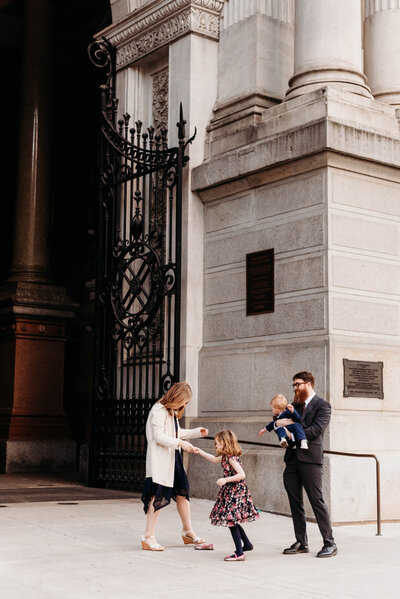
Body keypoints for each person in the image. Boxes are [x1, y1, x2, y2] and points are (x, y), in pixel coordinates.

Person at [276, 371, 337, 558]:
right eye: (293, 385)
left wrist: (292, 431)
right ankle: (301, 542)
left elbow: (316, 430)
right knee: (295, 503)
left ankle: (330, 543)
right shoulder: (294, 405)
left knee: (316, 501)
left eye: (298, 384)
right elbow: (278, 422)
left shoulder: (323, 405)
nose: (295, 388)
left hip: (311, 460)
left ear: (309, 384)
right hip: (292, 459)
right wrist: (279, 424)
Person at [141, 381, 209, 551]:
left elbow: (176, 433)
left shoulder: (170, 411)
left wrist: (195, 432)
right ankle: (148, 536)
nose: (185, 405)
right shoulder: (158, 410)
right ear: (177, 397)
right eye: (184, 401)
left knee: (183, 494)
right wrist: (181, 443)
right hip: (161, 460)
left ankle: (188, 531)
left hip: (173, 458)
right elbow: (159, 437)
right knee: (158, 497)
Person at [195, 429, 259, 561]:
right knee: (233, 520)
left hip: (236, 491)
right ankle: (247, 544)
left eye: (217, 443)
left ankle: (239, 553)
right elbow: (213, 459)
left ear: (225, 443)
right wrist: (199, 451)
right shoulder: (225, 457)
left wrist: (225, 480)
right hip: (230, 491)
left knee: (231, 520)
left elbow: (242, 474)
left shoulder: (231, 458)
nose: (215, 445)